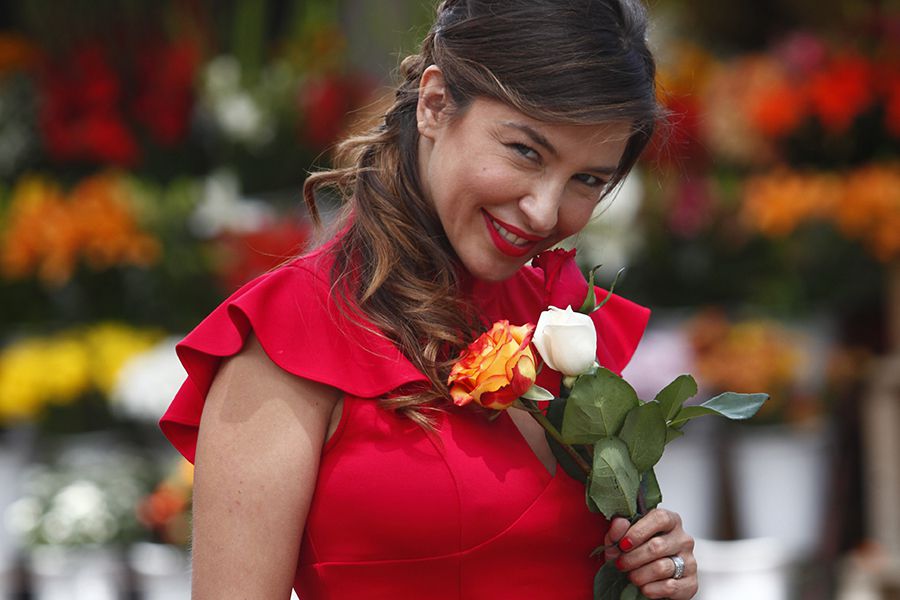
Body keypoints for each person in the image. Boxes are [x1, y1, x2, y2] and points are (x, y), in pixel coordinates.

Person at [160, 0, 698, 598]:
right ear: (436, 104)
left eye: (588, 180)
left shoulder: (562, 319)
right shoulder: (292, 335)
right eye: (526, 151)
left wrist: (652, 568)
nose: (546, 211)